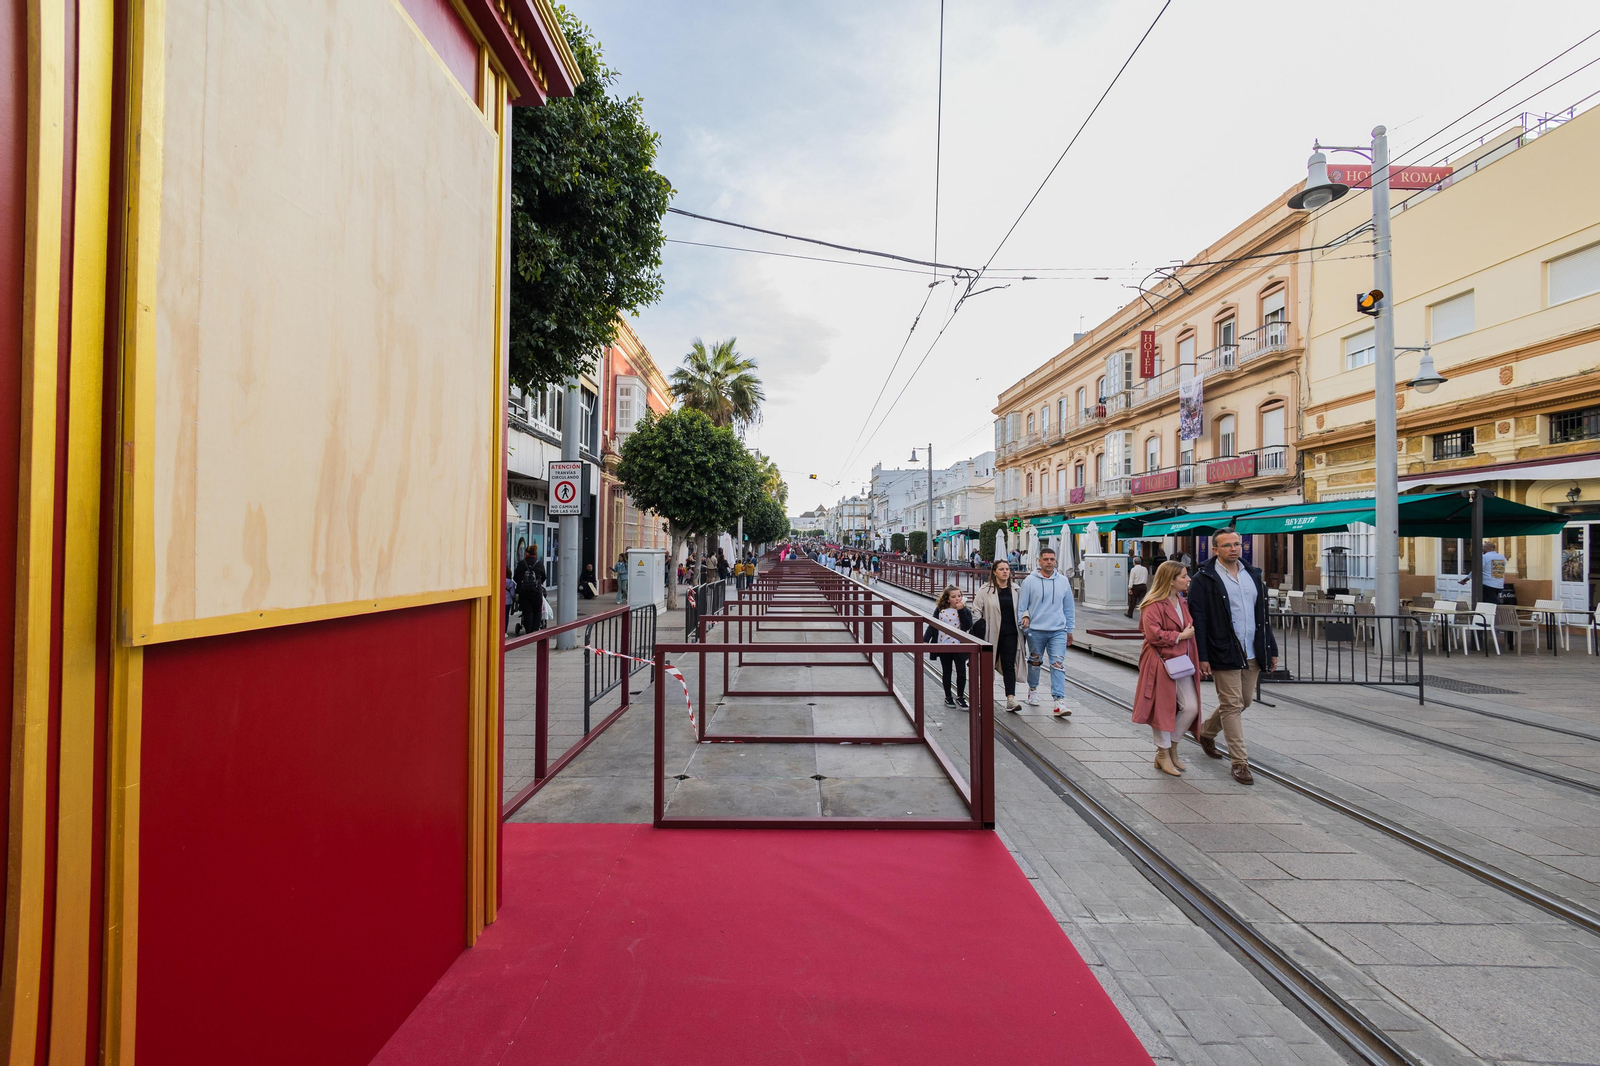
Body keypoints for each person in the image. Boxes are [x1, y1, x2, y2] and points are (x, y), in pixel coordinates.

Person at [1189, 528, 1278, 786]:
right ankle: (1240, 762)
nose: (1234, 548)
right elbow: (1200, 620)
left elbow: (1263, 616)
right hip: (1223, 649)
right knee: (1231, 705)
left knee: (1244, 701)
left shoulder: (1253, 575)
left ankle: (1206, 732)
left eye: (1237, 544)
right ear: (1215, 550)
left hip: (1252, 650)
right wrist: (1203, 655)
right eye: (1227, 545)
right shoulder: (1204, 579)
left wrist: (1271, 648)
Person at [1132, 562, 1203, 777]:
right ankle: (1162, 754)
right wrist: (1179, 636)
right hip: (1159, 661)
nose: (1188, 579)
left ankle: (1171, 746)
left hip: (1181, 661)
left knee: (1191, 707)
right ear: (1171, 579)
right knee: (1162, 707)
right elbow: (1152, 634)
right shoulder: (1152, 604)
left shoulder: (1181, 601)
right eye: (1183, 576)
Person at [1018, 546, 1076, 718]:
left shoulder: (1063, 581)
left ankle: (1059, 701)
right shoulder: (1029, 581)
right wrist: (1024, 624)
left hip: (1058, 629)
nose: (1049, 562)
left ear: (1055, 561)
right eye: (1046, 559)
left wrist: (1069, 629)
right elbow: (1022, 607)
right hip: (1035, 630)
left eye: (1052, 559)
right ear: (1039, 561)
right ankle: (1033, 689)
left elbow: (1069, 607)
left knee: (1058, 664)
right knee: (1035, 662)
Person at [972, 558, 1027, 712]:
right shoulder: (985, 590)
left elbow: (1023, 608)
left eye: (1007, 569)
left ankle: (1010, 699)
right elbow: (976, 609)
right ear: (994, 572)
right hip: (991, 633)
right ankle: (985, 696)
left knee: (1009, 665)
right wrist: (980, 626)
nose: (1005, 572)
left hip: (1011, 633)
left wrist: (1025, 617)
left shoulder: (1016, 590)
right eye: (1001, 569)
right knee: (987, 665)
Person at [932, 585, 975, 708]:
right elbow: (933, 625)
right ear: (947, 599)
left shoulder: (965, 610)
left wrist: (961, 610)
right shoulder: (940, 609)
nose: (957, 599)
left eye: (959, 596)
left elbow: (967, 626)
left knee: (961, 672)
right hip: (944, 645)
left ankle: (960, 696)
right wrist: (925, 639)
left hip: (959, 646)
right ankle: (948, 696)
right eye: (954, 597)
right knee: (947, 671)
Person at [513, 545, 547, 631]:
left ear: (526, 553)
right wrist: (538, 583)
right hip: (536, 591)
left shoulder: (521, 564)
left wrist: (522, 583)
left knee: (527, 612)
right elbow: (543, 577)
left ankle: (528, 632)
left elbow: (515, 578)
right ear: (535, 553)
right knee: (537, 611)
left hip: (524, 592)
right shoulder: (539, 564)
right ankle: (535, 632)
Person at [1480, 539, 1508, 604]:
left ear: (1486, 548)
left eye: (1483, 547)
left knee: (1491, 603)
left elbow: (1478, 569)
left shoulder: (1484, 557)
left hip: (1488, 584)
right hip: (1499, 584)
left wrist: (1466, 578)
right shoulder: (1502, 557)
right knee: (1491, 601)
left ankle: (1500, 612)